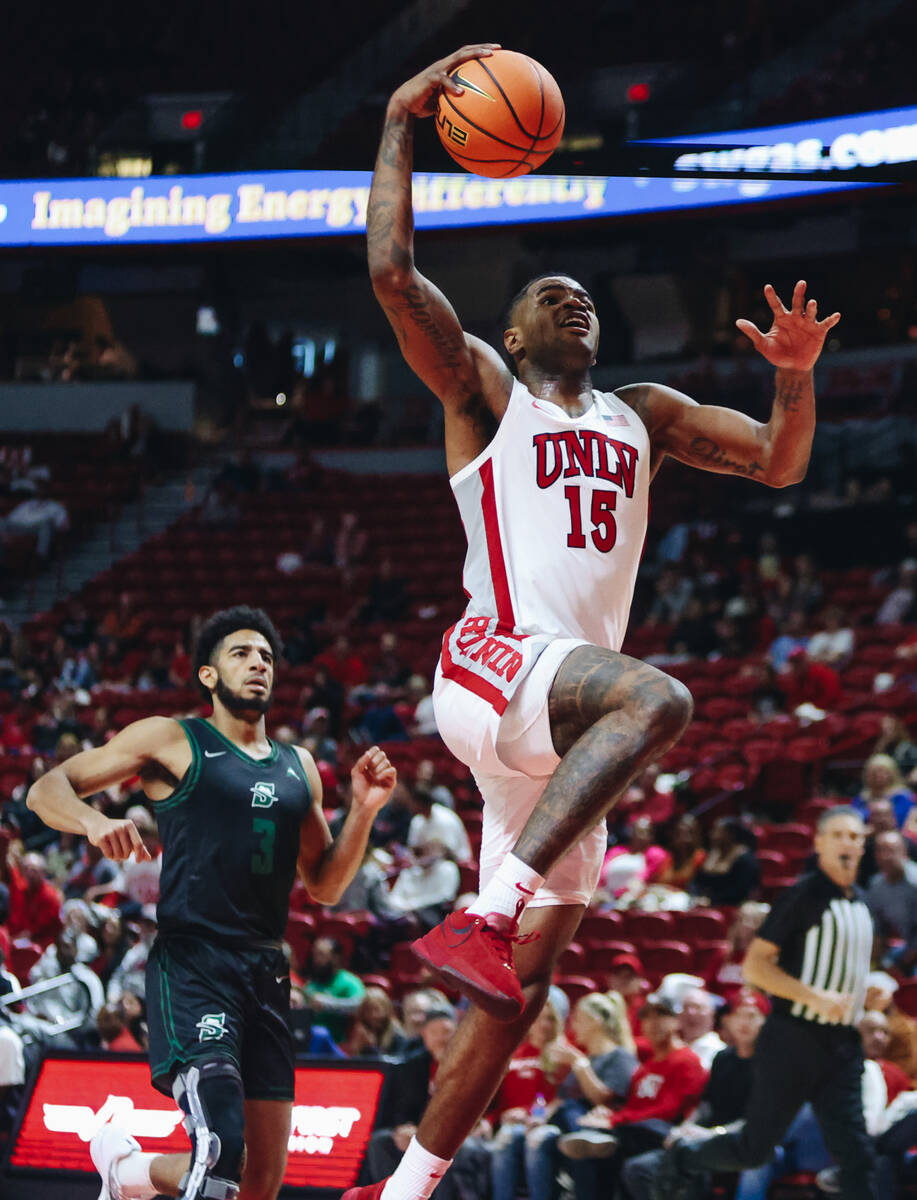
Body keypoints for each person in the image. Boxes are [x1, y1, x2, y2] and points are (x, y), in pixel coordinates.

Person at [347, 42, 840, 1200]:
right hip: (492, 663)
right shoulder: (485, 393)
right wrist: (397, 123)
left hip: (559, 722)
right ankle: (485, 904)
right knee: (655, 695)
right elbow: (388, 274)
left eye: (580, 296)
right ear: (509, 338)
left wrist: (795, 375)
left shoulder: (643, 415)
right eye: (540, 296)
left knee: (510, 992)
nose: (567, 296)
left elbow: (776, 462)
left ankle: (404, 1189)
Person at [25, 605, 396, 1200]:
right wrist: (94, 822)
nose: (258, 665)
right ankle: (126, 1174)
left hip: (266, 970)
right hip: (195, 963)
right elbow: (45, 789)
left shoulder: (298, 765)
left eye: (267, 658)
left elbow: (325, 885)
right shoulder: (173, 738)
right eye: (242, 654)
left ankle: (126, 1174)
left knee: (257, 1183)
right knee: (220, 1146)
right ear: (207, 674)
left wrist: (366, 810)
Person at [654, 807, 877, 1200]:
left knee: (857, 1153)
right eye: (839, 835)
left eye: (855, 837)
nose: (848, 844)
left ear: (864, 844)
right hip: (793, 1038)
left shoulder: (861, 902)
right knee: (755, 1148)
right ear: (820, 842)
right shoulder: (803, 895)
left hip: (841, 1045)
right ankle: (684, 1159)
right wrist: (815, 997)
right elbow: (756, 967)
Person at [866, 831, 917, 974]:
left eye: (892, 850)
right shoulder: (875, 885)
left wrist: (899, 967)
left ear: (904, 852)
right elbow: (878, 930)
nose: (886, 856)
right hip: (904, 950)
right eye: (881, 850)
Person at [853, 754, 915, 829]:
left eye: (882, 771)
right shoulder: (861, 798)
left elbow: (903, 823)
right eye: (874, 772)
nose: (878, 775)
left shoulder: (902, 797)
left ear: (892, 773)